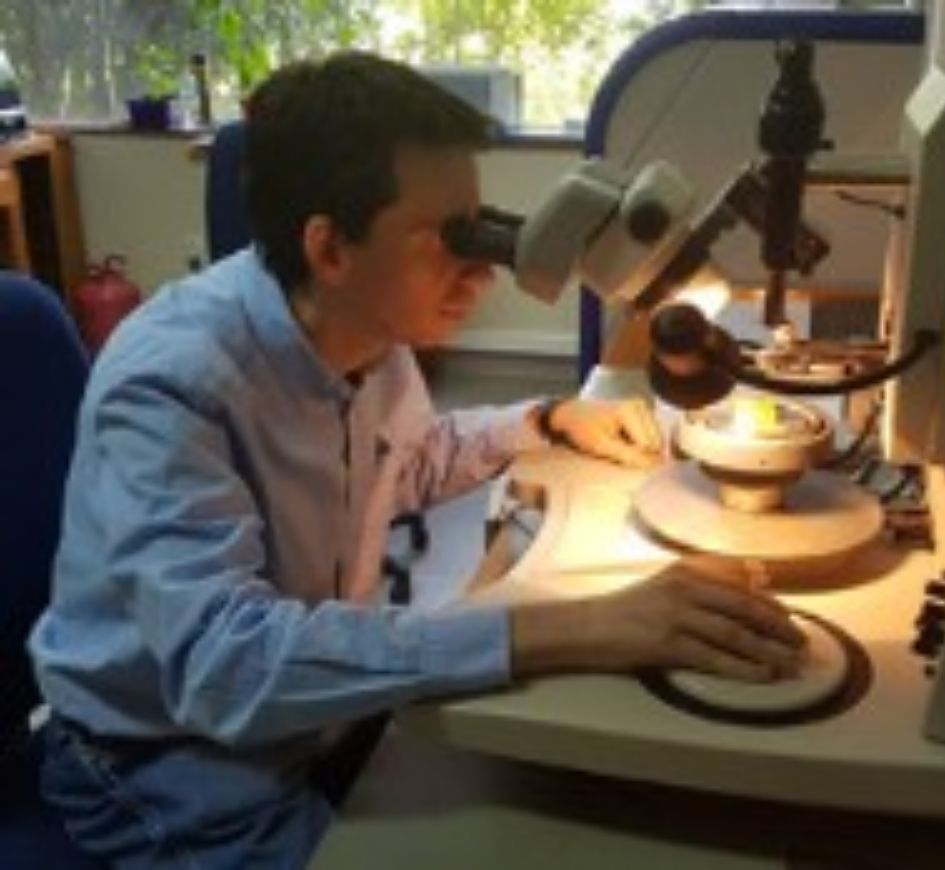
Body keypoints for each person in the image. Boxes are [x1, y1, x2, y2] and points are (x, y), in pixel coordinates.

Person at [29, 51, 805, 868]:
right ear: (330, 249)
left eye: (481, 224)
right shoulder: (172, 385)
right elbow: (225, 668)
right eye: (448, 237)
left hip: (302, 722)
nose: (481, 265)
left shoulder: (365, 330)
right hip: (164, 758)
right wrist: (570, 627)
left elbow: (406, 463)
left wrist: (546, 420)